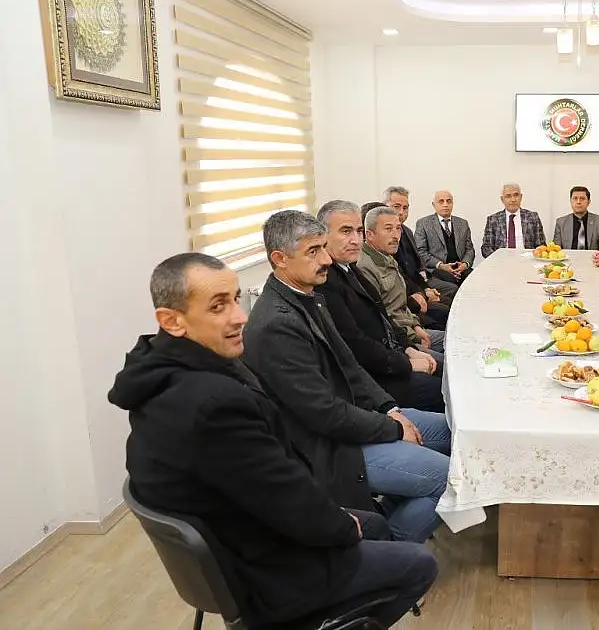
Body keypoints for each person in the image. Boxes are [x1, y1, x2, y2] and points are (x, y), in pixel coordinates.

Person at [109, 253, 436, 629]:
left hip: (239, 536)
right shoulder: (212, 403)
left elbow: (267, 482)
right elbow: (282, 494)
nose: (239, 317)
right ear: (171, 320)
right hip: (263, 571)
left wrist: (336, 520)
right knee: (419, 565)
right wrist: (340, 526)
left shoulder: (156, 372)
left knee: (375, 527)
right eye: (218, 306)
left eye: (235, 299)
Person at [242, 211, 451, 544]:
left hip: (357, 422)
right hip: (333, 449)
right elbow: (323, 413)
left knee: (455, 433)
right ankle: (391, 551)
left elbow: (350, 367)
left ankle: (384, 522)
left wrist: (389, 409)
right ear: (279, 259)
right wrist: (394, 428)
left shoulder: (310, 297)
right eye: (313, 251)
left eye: (323, 248)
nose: (326, 259)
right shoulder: (275, 325)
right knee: (452, 477)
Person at [315, 200, 446, 413]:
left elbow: (382, 317)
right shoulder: (325, 281)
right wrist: (407, 362)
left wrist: (408, 349)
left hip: (392, 356)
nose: (355, 240)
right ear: (322, 236)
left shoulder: (349, 267)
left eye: (358, 231)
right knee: (445, 388)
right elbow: (356, 345)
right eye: (346, 231)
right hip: (377, 380)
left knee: (447, 373)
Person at [357, 206, 446, 353]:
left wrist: (416, 326)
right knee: (445, 360)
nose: (395, 235)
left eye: (398, 229)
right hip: (399, 342)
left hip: (411, 329)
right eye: (388, 229)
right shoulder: (365, 267)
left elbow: (400, 306)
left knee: (461, 340)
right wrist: (413, 337)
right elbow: (382, 319)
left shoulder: (387, 257)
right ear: (370, 235)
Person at [384, 186, 457, 305]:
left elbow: (418, 262)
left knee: (453, 290)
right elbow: (399, 273)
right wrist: (424, 291)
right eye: (396, 207)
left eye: (405, 208)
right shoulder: (384, 237)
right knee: (447, 302)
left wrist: (426, 286)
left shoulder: (407, 231)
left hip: (422, 278)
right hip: (407, 288)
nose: (401, 212)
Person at [414, 189, 475, 286]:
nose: (445, 204)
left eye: (449, 201)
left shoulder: (463, 223)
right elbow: (420, 251)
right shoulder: (423, 223)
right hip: (437, 268)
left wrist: (465, 264)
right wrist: (440, 265)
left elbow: (469, 249)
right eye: (441, 201)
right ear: (434, 205)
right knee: (453, 283)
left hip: (461, 268)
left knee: (475, 280)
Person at [481, 182, 546, 257]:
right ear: (502, 199)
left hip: (527, 260)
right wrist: (498, 260)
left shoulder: (533, 217)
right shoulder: (493, 220)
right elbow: (486, 248)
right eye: (508, 196)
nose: (513, 199)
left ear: (521, 197)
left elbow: (541, 246)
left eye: (516, 195)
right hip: (501, 261)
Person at [551, 185, 599, 250]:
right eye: (575, 198)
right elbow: (556, 249)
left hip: (592, 256)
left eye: (582, 198)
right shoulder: (561, 222)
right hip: (568, 256)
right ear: (570, 201)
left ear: (588, 202)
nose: (578, 202)